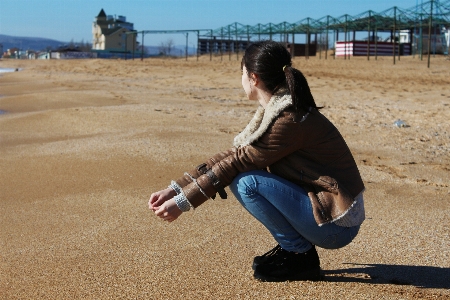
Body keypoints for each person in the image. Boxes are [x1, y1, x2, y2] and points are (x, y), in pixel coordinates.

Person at [148, 40, 365, 282]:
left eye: (241, 73)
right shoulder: (278, 109)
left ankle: (299, 256)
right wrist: (175, 188)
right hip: (327, 212)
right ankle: (294, 250)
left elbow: (237, 162)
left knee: (246, 182)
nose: (240, 79)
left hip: (336, 224)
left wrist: (182, 202)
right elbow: (236, 155)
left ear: (253, 78)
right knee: (240, 174)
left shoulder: (288, 118)